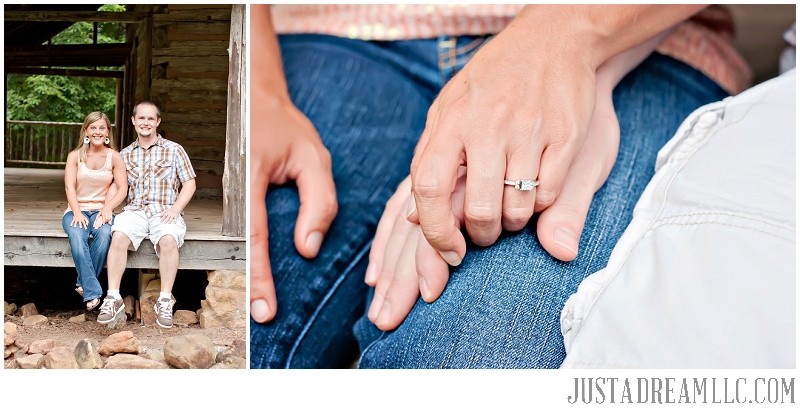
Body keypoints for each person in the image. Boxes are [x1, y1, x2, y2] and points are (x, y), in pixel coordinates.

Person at [250, 5, 751, 368]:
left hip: (642, 40)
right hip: (337, 34)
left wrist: (566, 39)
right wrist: (254, 84)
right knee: (246, 333)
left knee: (480, 353)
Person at [96, 101, 197, 329]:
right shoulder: (125, 155)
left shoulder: (174, 150)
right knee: (119, 235)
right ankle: (113, 297)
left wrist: (176, 209)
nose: (146, 123)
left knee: (169, 239)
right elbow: (117, 186)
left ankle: (164, 300)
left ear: (158, 122)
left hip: (165, 211)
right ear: (133, 121)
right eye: (141, 118)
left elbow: (189, 183)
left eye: (150, 119)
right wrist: (107, 208)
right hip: (135, 211)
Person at [62, 112, 127, 311]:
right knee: (77, 235)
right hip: (76, 210)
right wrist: (77, 212)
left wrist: (107, 209)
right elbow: (69, 187)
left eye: (101, 128)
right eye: (93, 128)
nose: (97, 132)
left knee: (105, 235)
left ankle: (84, 284)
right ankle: (93, 291)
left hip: (102, 211)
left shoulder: (114, 157)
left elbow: (122, 187)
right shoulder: (75, 156)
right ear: (86, 131)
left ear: (108, 131)